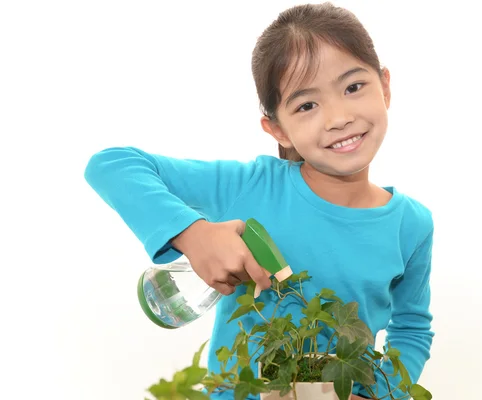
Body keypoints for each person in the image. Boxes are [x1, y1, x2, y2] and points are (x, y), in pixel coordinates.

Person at [84, 2, 434, 399]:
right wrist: (194, 235)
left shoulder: (412, 224)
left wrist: (378, 395)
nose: (338, 117)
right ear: (277, 129)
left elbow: (411, 327)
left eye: (353, 87)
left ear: (385, 86)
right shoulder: (250, 186)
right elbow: (112, 165)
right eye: (307, 105)